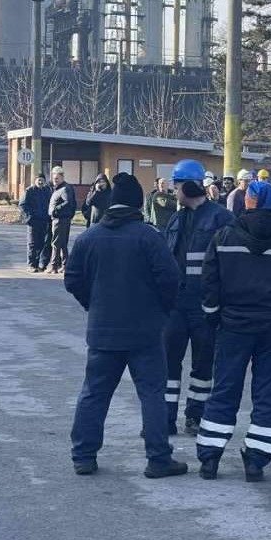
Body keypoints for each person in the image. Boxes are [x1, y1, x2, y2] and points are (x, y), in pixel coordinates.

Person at [64, 172, 187, 478]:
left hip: (103, 330)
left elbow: (72, 280)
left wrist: (92, 304)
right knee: (152, 394)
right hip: (145, 331)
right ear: (136, 204)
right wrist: (162, 310)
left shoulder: (89, 237)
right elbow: (170, 280)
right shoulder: (149, 237)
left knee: (94, 393)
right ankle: (158, 459)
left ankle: (83, 455)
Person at [196, 180, 271, 481]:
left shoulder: (223, 236)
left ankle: (210, 457)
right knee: (269, 395)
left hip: (233, 326)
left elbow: (209, 282)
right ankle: (256, 460)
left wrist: (213, 317)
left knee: (224, 391)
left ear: (246, 202)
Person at [161, 160, 235, 436]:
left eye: (177, 185)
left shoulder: (221, 218)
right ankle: (165, 417)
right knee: (168, 363)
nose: (174, 190)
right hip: (175, 306)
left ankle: (195, 415)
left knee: (203, 366)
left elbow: (231, 265)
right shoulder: (176, 218)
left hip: (206, 305)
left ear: (189, 186)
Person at [19, 173, 52, 272]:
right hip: (33, 222)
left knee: (41, 243)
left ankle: (37, 264)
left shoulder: (47, 190)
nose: (40, 182)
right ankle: (31, 265)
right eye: (39, 180)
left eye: (42, 180)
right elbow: (22, 205)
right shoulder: (29, 191)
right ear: (35, 181)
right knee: (32, 244)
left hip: (43, 221)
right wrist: (30, 216)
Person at [48, 166, 77, 274]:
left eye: (57, 178)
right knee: (62, 243)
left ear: (62, 177)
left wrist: (56, 209)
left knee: (55, 243)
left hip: (60, 219)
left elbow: (68, 202)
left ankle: (54, 266)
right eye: (54, 178)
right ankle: (64, 265)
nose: (54, 180)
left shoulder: (64, 189)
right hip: (60, 219)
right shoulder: (60, 188)